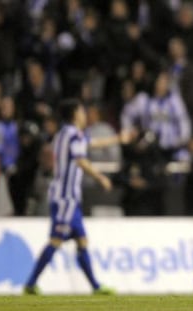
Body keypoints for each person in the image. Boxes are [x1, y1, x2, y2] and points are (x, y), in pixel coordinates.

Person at [24, 99, 125, 295]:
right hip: (65, 198)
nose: (84, 114)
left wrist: (118, 139)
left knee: (82, 241)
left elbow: (92, 143)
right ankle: (30, 283)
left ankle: (95, 286)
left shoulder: (64, 134)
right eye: (81, 111)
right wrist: (101, 177)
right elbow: (81, 160)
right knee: (56, 240)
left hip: (69, 198)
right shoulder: (74, 135)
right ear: (75, 114)